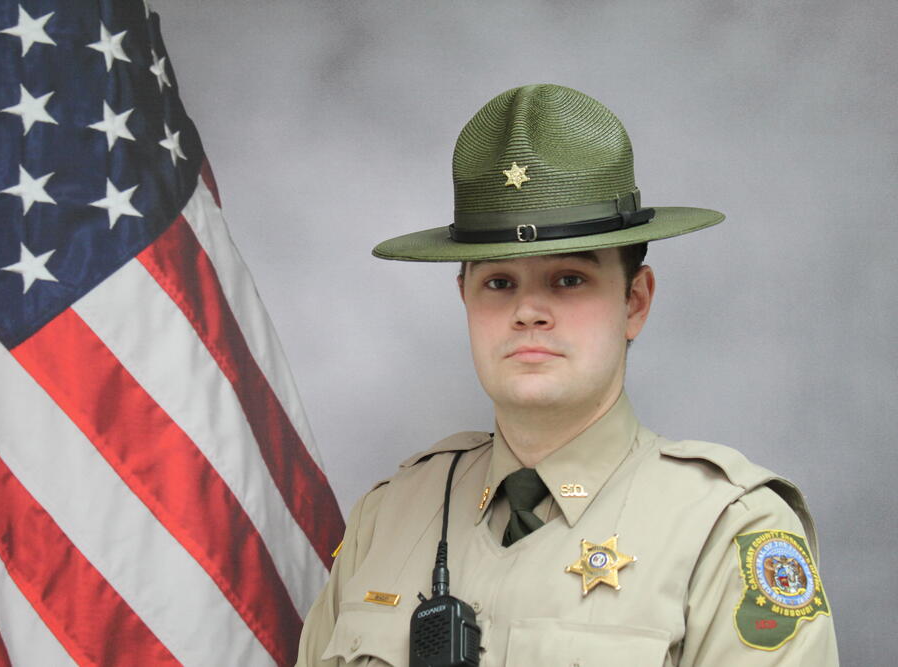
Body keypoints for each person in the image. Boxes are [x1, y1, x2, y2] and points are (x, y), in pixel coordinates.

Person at [296, 84, 839, 666]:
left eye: (569, 280)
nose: (529, 311)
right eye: (499, 283)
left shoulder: (726, 529)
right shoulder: (390, 517)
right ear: (465, 299)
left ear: (634, 301)